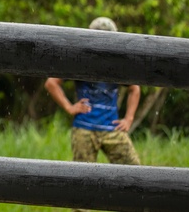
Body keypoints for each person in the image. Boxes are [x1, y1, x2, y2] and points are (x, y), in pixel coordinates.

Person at [45, 17, 141, 211]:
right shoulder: (79, 60)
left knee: (135, 176)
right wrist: (70, 107)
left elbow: (135, 89)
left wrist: (129, 118)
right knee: (82, 185)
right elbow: (51, 83)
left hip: (112, 128)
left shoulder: (118, 64)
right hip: (85, 129)